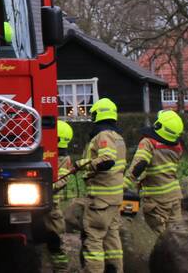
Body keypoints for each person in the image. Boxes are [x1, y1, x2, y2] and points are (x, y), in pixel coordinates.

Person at [80, 98, 127, 273]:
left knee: (94, 239)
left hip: (100, 199)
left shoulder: (103, 135)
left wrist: (84, 164)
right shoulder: (118, 137)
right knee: (112, 240)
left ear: (97, 114)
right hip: (115, 199)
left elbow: (107, 160)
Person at [124, 110, 184, 234]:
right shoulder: (178, 147)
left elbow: (139, 165)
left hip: (157, 199)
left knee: (160, 237)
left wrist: (123, 185)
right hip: (175, 196)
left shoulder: (148, 143)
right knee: (177, 235)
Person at [46, 120, 76, 272]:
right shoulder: (44, 152)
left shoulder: (64, 159)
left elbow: (62, 181)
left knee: (55, 243)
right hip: (47, 207)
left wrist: (43, 189)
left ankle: (61, 269)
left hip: (51, 207)